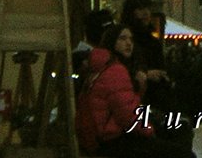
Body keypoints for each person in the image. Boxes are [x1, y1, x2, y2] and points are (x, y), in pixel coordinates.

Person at [75, 24, 192, 158]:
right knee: (183, 151)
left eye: (131, 39)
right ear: (112, 41)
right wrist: (150, 131)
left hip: (101, 137)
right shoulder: (115, 70)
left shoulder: (103, 66)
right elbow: (127, 115)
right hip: (112, 140)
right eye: (122, 39)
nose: (128, 43)